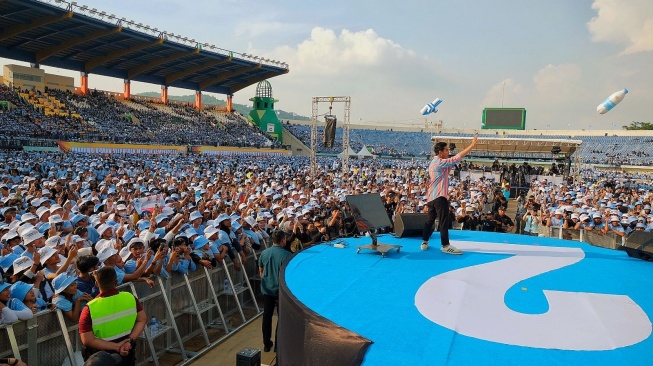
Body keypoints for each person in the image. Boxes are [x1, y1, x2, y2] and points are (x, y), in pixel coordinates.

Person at [421, 134, 478, 253]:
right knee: (443, 221)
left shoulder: (434, 162)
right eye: (446, 150)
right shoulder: (440, 162)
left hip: (431, 196)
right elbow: (456, 158)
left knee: (430, 220)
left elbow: (447, 169)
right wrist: (472, 145)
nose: (448, 151)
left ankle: (425, 242)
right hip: (439, 196)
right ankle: (445, 245)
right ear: (440, 152)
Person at [79, 267, 147, 365]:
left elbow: (87, 340)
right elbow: (142, 320)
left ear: (96, 284)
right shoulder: (130, 297)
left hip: (102, 359)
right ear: (116, 282)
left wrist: (116, 346)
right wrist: (128, 341)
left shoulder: (89, 308)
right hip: (127, 353)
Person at [258, 230, 292, 353]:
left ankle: (266, 344)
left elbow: (260, 270)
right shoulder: (287, 255)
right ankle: (278, 346)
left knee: (267, 316)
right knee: (281, 317)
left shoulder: (265, 253)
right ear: (283, 240)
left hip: (267, 290)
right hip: (280, 291)